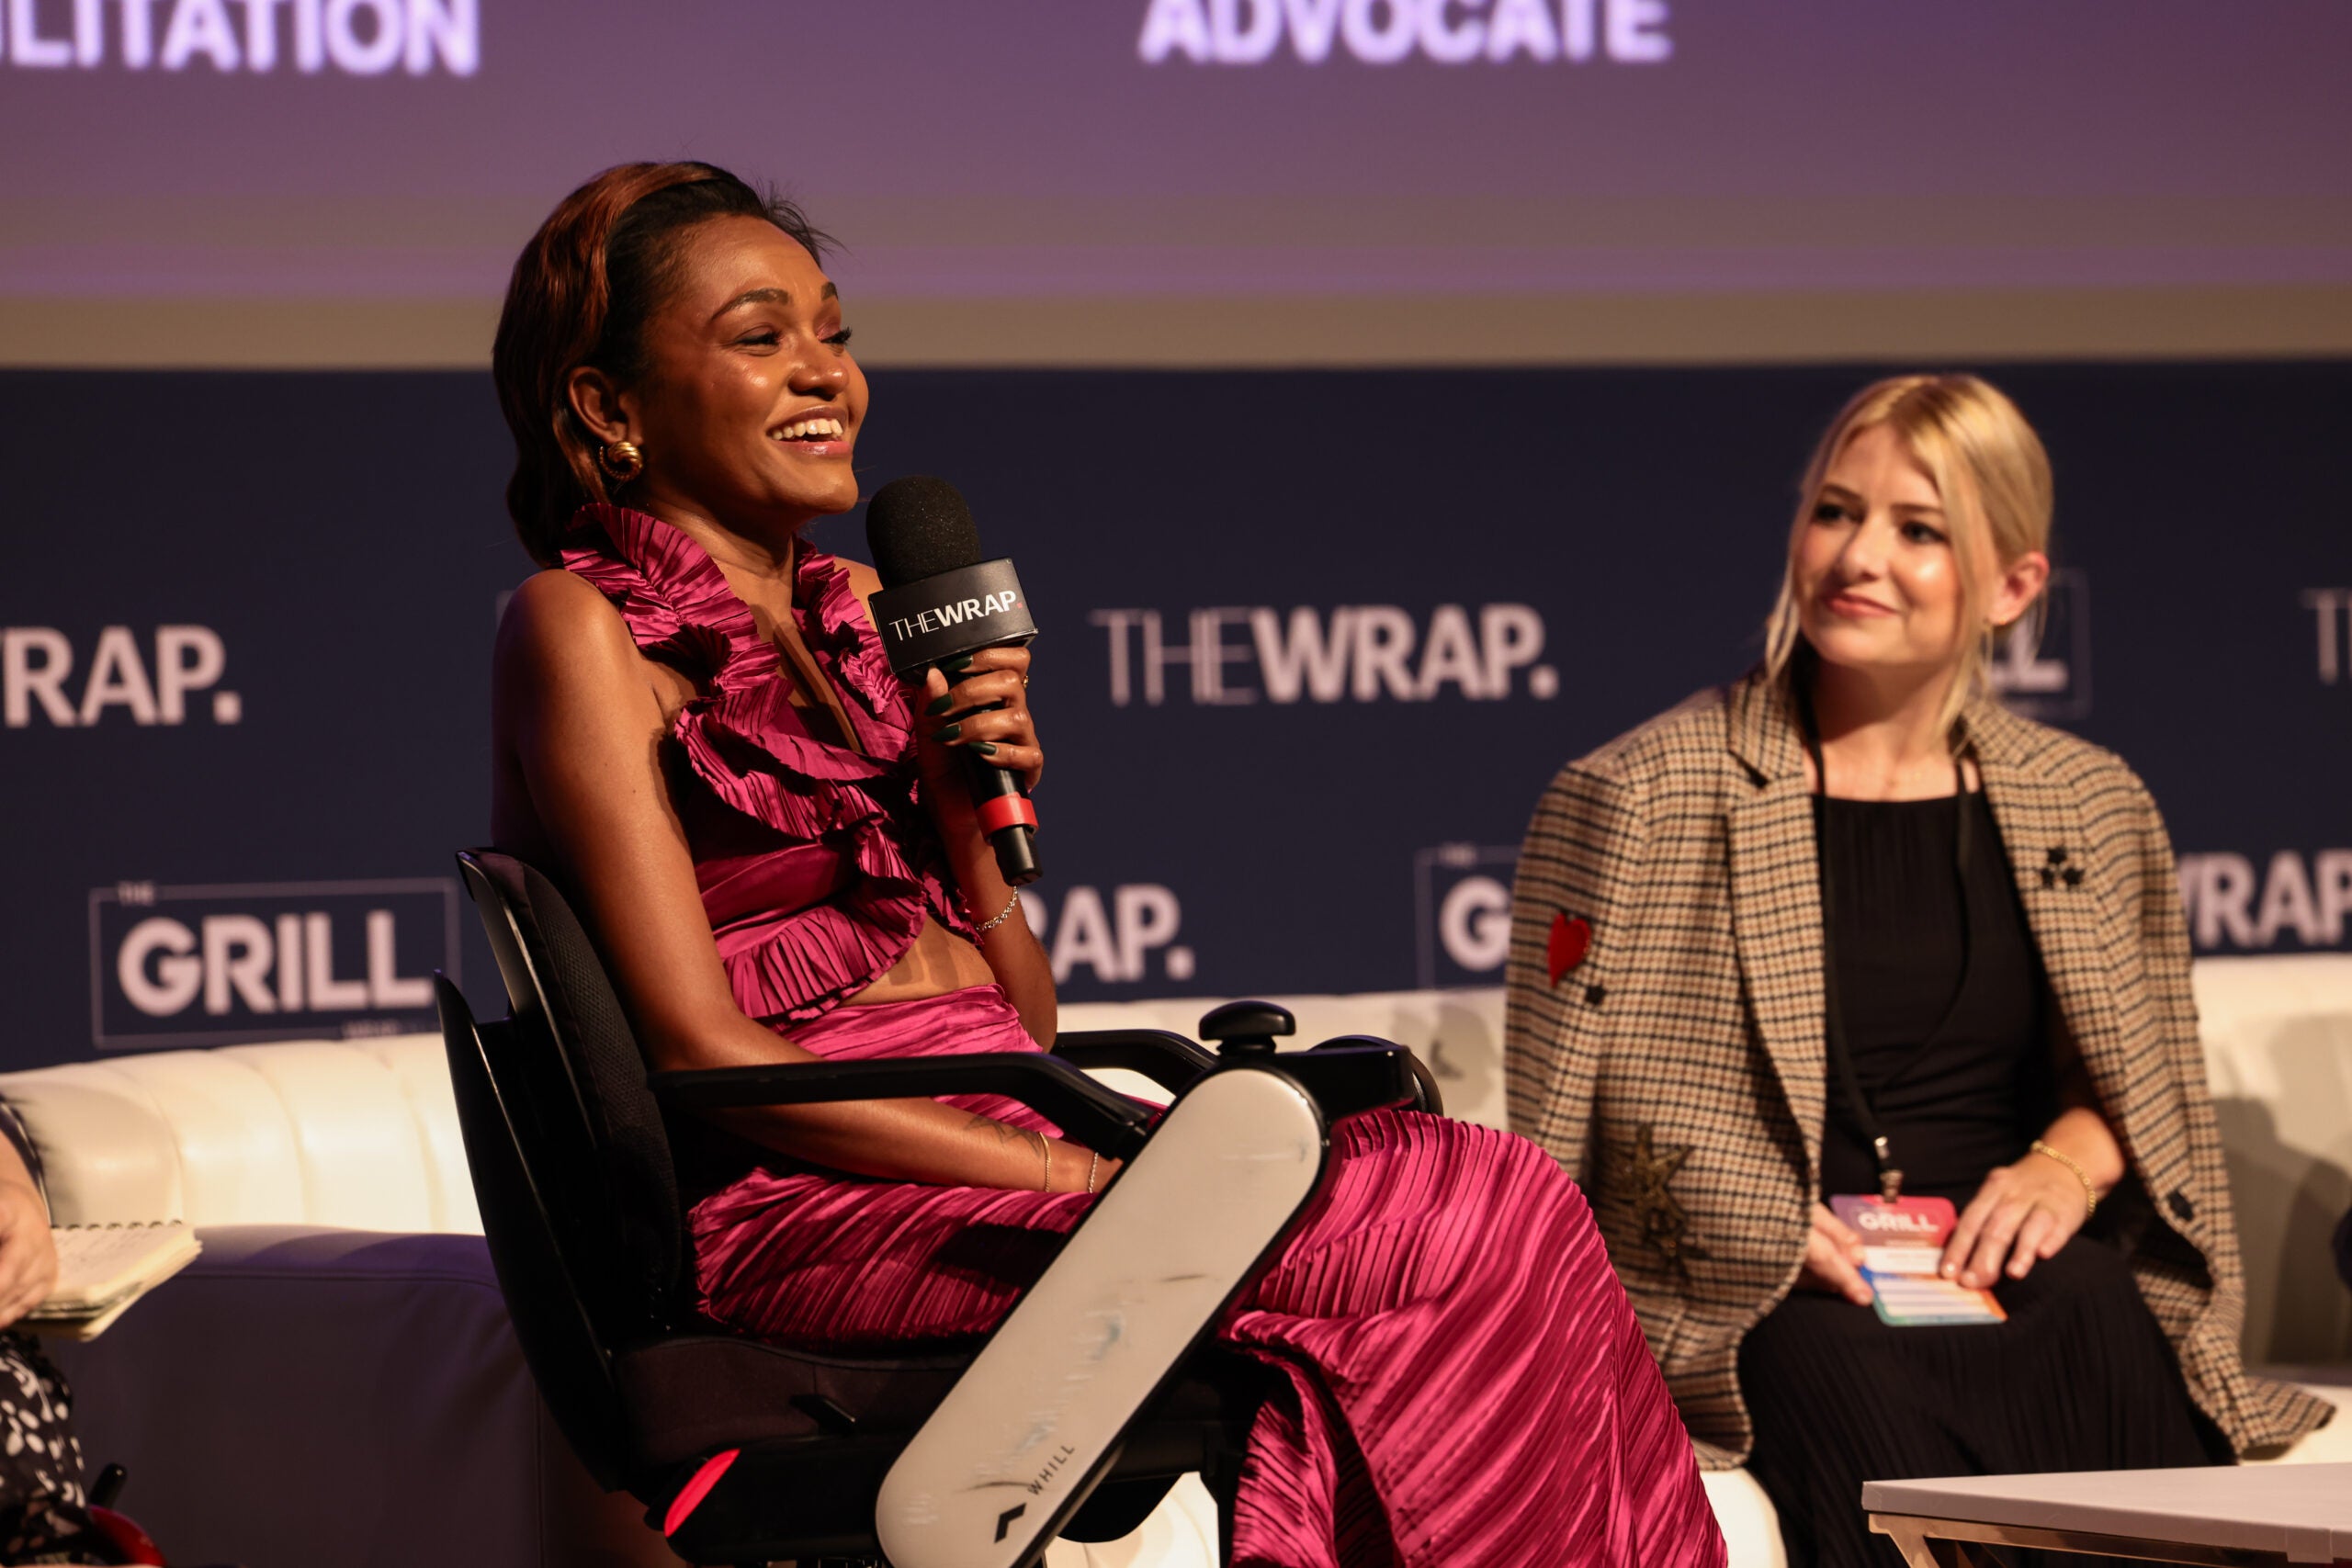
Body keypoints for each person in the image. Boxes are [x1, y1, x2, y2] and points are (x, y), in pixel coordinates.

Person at [488, 161, 1724, 1568]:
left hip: (1014, 1145)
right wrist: (1077, 1173)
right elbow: (698, 1051)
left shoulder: (879, 614)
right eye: (762, 337)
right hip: (818, 1210)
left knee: (1490, 1180)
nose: (826, 372)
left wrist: (963, 817)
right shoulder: (579, 629)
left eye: (835, 331)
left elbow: (1020, 1022)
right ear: (609, 406)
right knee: (1445, 1223)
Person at [1502, 373, 2331, 1568]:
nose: (1859, 557)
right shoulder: (1638, 795)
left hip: (2017, 1273)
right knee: (1826, 1364)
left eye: (1919, 530)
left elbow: (2143, 1093)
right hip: (1771, 1299)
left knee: (2097, 1304)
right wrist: (1759, 1226)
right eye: (1836, 512)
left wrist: (2060, 1170)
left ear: (2013, 586)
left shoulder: (2089, 801)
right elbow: (1564, 1122)